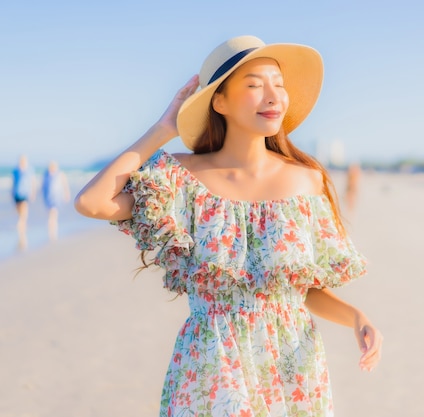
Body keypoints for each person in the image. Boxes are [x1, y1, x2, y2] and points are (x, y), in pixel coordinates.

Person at [75, 35, 382, 417]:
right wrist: (161, 129)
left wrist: (357, 317)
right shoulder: (182, 179)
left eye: (278, 84)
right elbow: (91, 202)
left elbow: (300, 290)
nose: (273, 96)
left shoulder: (306, 181)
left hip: (292, 364)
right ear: (219, 101)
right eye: (254, 85)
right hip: (210, 365)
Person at [42, 160, 71, 241]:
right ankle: (52, 230)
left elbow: (65, 185)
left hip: (57, 197)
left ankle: (53, 231)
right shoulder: (46, 174)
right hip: (49, 197)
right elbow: (43, 185)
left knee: (53, 213)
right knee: (51, 213)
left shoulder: (60, 174)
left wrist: (66, 194)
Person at [11, 155, 36, 250]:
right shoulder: (15, 170)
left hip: (26, 192)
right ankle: (22, 221)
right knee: (18, 208)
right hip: (17, 192)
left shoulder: (29, 170)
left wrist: (33, 192)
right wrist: (12, 191)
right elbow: (13, 181)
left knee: (24, 207)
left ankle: (21, 222)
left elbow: (32, 181)